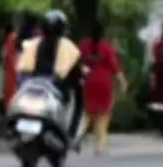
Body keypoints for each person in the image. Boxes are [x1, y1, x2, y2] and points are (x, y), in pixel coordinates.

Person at [15, 9, 84, 147]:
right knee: (79, 97)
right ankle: (71, 132)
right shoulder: (68, 47)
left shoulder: (32, 44)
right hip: (51, 89)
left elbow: (22, 70)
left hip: (33, 87)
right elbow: (75, 72)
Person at [77, 22, 128, 155]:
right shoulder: (106, 47)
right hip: (104, 83)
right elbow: (115, 68)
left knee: (87, 113)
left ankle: (77, 137)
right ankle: (99, 146)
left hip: (88, 82)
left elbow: (77, 61)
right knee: (103, 115)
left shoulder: (83, 46)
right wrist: (123, 83)